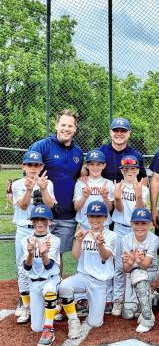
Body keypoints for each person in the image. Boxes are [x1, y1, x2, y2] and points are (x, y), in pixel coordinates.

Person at [30, 110, 83, 269]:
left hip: (66, 213)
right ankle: (34, 290)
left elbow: (77, 176)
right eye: (63, 125)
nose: (66, 129)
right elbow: (28, 175)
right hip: (43, 212)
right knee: (37, 252)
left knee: (57, 254)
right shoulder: (42, 146)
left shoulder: (78, 153)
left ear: (75, 129)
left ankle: (57, 289)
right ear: (56, 125)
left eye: (70, 125)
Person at [59, 201, 117, 338]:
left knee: (95, 323)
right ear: (87, 218)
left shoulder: (111, 236)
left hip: (99, 282)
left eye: (98, 216)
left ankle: (87, 304)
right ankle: (73, 320)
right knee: (63, 286)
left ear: (105, 218)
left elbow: (106, 256)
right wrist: (78, 241)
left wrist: (100, 245)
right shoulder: (83, 233)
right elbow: (76, 256)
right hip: (83, 277)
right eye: (92, 216)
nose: (95, 219)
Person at [12, 151, 56, 324]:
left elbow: (52, 205)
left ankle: (48, 301)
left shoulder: (48, 183)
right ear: (23, 166)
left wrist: (43, 188)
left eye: (36, 165)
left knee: (46, 264)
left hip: (43, 229)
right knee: (23, 267)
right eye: (29, 165)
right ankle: (26, 305)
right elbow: (23, 205)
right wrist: (29, 189)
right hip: (24, 229)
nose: (33, 168)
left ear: (42, 167)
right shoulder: (17, 184)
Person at [110, 155, 150, 317]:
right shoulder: (117, 186)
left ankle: (135, 300)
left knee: (137, 264)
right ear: (122, 171)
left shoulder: (143, 188)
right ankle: (118, 299)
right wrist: (117, 197)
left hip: (137, 230)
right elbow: (118, 209)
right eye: (126, 169)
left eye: (133, 168)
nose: (130, 171)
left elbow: (140, 211)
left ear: (138, 170)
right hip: (120, 228)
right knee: (120, 266)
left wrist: (139, 194)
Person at [21, 205, 61, 346]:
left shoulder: (54, 240)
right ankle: (54, 308)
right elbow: (26, 267)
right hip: (34, 284)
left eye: (43, 219)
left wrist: (44, 253)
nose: (39, 223)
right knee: (35, 327)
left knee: (49, 290)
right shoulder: (26, 240)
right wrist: (31, 254)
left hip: (50, 280)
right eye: (36, 219)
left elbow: (49, 266)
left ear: (49, 221)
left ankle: (48, 329)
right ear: (32, 222)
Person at [122, 208, 159, 333]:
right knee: (128, 313)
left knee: (139, 274)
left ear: (150, 224)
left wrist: (137, 261)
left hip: (150, 271)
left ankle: (148, 319)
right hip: (132, 271)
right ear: (131, 223)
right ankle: (153, 297)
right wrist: (131, 262)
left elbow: (145, 265)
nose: (140, 227)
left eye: (143, 223)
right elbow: (126, 269)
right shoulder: (126, 239)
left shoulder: (154, 239)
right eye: (136, 223)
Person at [74, 149, 114, 231]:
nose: (95, 167)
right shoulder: (80, 183)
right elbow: (76, 208)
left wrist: (105, 197)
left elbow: (110, 208)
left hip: (104, 225)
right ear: (87, 166)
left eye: (99, 164)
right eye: (92, 164)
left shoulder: (109, 183)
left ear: (104, 165)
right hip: (85, 225)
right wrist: (84, 197)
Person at [99, 117, 147, 184]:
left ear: (129, 133)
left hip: (127, 193)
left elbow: (143, 178)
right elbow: (88, 170)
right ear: (110, 132)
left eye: (123, 131)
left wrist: (141, 192)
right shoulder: (100, 153)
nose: (119, 133)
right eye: (115, 130)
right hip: (104, 193)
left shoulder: (136, 156)